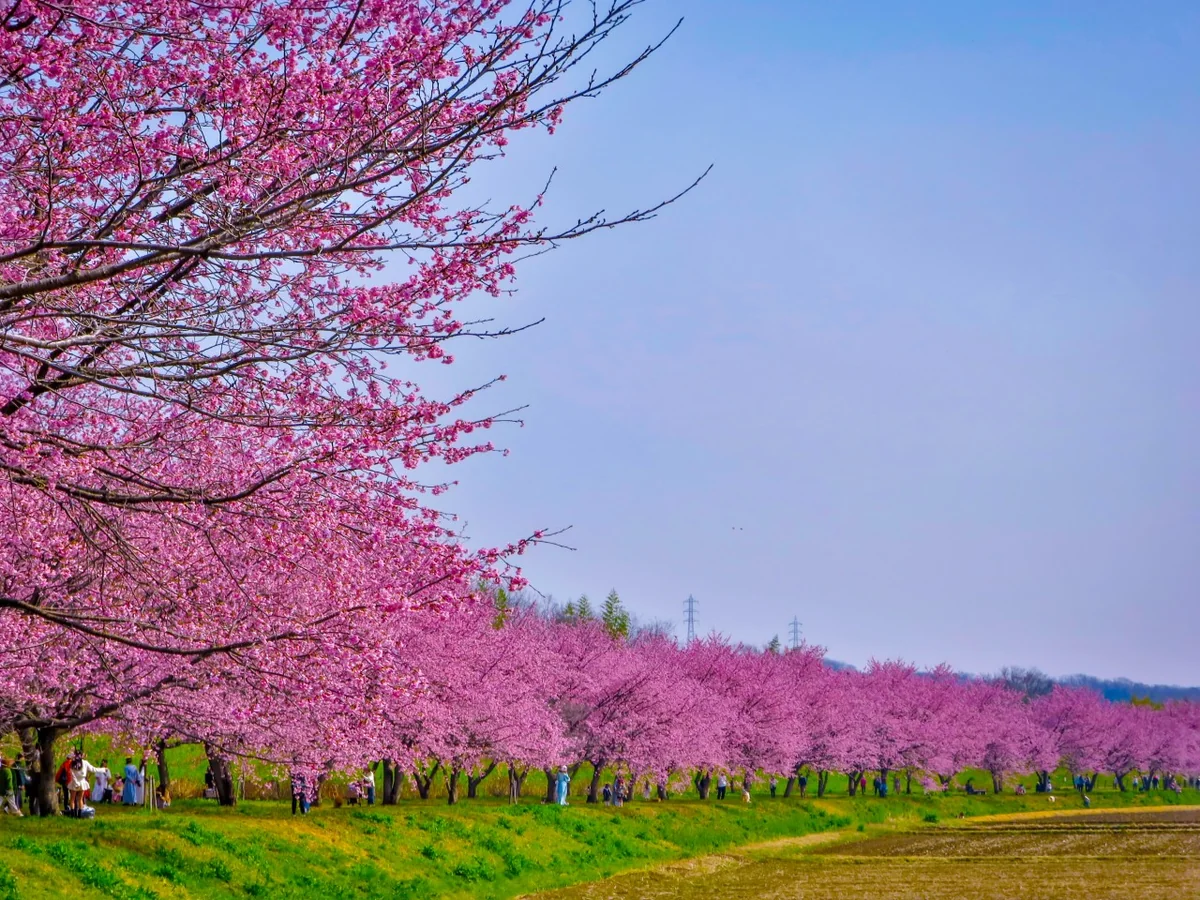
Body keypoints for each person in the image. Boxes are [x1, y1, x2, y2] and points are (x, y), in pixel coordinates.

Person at [67, 751, 96, 818]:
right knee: (80, 799)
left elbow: (71, 773)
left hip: (74, 783)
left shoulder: (73, 763)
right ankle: (79, 814)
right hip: (82, 783)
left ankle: (72, 814)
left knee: (72, 799)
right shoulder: (83, 763)